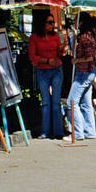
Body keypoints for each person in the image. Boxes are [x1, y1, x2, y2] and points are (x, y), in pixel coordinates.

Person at [28, 10, 65, 139]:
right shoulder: (34, 38)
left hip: (56, 70)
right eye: (50, 22)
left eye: (53, 22)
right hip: (43, 71)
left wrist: (61, 50)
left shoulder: (56, 36)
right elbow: (33, 57)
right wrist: (47, 61)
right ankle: (45, 131)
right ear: (42, 24)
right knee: (45, 103)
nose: (52, 25)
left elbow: (61, 53)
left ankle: (58, 132)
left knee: (55, 102)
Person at [69, 13, 96, 140]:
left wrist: (76, 60)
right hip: (89, 72)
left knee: (72, 102)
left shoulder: (85, 37)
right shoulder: (90, 35)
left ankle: (77, 132)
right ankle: (89, 131)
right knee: (86, 103)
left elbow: (89, 57)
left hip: (83, 72)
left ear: (81, 22)